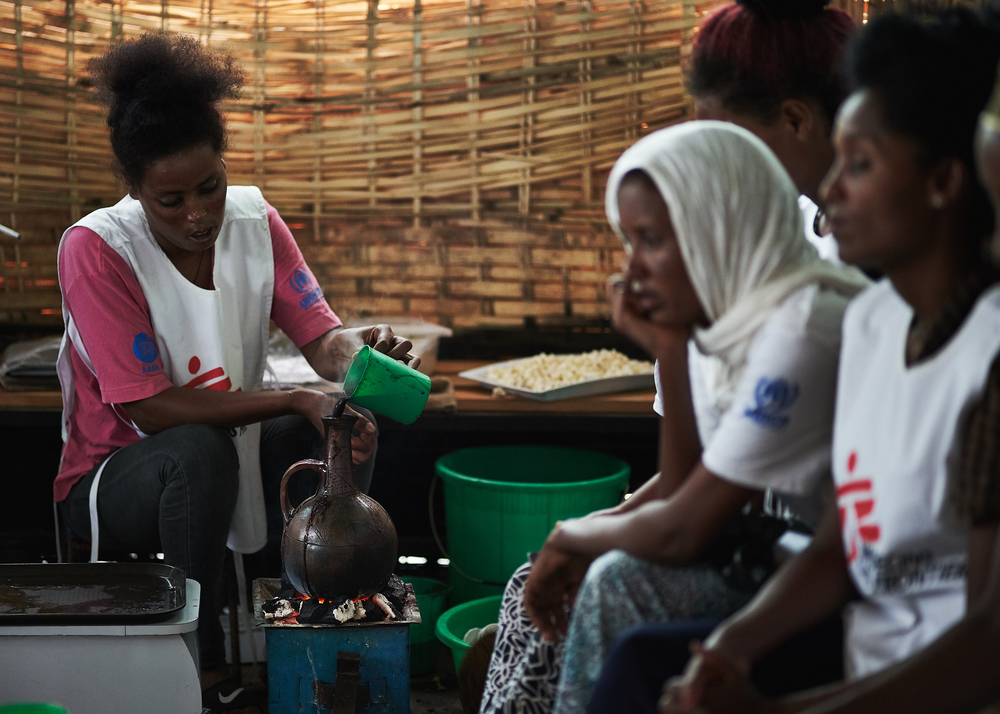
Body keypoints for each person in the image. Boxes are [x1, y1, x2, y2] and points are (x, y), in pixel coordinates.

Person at [586, 8, 1000, 714]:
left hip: (938, 682)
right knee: (642, 666)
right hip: (859, 642)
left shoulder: (983, 356)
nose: (832, 190)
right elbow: (842, 549)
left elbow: (987, 646)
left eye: (861, 165)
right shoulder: (870, 322)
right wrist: (730, 650)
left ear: (945, 183)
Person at [54, 33, 415, 714]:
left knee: (337, 424)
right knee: (198, 449)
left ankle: (326, 627)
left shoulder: (256, 221)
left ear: (225, 165)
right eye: (170, 200)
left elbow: (321, 337)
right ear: (133, 190)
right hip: (114, 476)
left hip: (224, 457)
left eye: (209, 187)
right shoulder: (96, 249)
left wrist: (359, 357)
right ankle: (201, 670)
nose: (198, 215)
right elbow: (152, 410)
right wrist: (294, 397)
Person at [478, 121, 869, 714]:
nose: (632, 271)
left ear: (721, 228)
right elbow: (692, 481)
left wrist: (573, 534)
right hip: (774, 554)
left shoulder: (802, 327)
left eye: (652, 239)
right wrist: (669, 344)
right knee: (530, 583)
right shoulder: (727, 323)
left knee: (610, 582)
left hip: (827, 585)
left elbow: (684, 526)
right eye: (629, 241)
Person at [688, 0, 854, 261]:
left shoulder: (884, 249)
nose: (718, 166)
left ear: (796, 121)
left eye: (729, 144)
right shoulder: (792, 223)